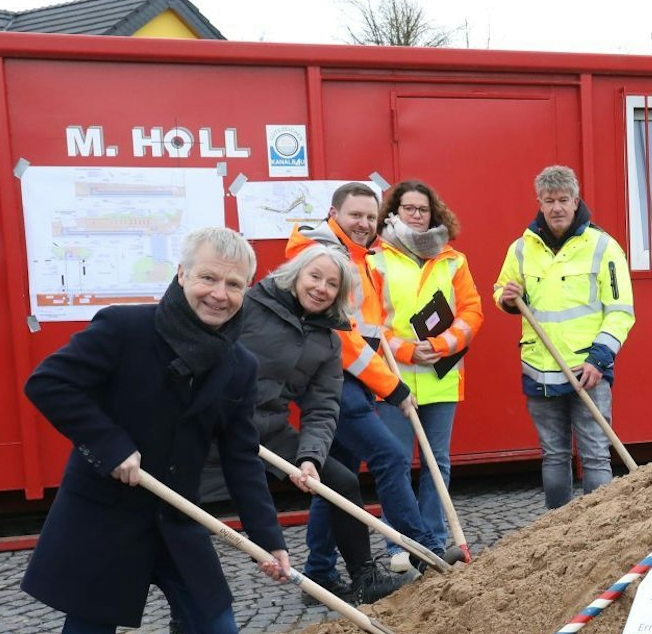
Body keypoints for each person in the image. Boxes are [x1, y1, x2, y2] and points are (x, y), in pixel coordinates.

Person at [23, 227, 289, 634]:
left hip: (176, 519)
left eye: (233, 284)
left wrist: (268, 539)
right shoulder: (124, 330)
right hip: (103, 517)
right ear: (181, 274)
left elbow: (243, 458)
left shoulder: (238, 364)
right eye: (209, 278)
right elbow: (48, 383)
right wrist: (110, 444)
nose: (219, 294)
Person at [198, 244, 412, 608]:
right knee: (189, 512)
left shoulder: (328, 339)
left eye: (332, 284)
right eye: (315, 276)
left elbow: (322, 406)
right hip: (214, 427)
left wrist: (310, 457)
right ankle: (186, 621)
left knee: (340, 480)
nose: (320, 288)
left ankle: (364, 578)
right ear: (296, 274)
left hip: (269, 430)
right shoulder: (249, 306)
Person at [285, 182, 440, 587]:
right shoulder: (321, 257)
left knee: (338, 477)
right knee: (389, 456)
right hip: (333, 381)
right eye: (355, 215)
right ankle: (426, 551)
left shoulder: (364, 258)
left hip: (351, 380)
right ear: (333, 214)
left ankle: (318, 571)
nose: (364, 224)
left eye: (371, 217)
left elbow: (374, 329)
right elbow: (343, 339)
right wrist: (393, 387)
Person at [492, 165, 636, 509]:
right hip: (539, 368)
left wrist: (599, 358)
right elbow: (501, 290)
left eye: (562, 200)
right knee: (554, 457)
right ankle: (555, 531)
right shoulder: (522, 248)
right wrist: (509, 298)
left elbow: (620, 310)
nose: (556, 207)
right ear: (539, 203)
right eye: (548, 200)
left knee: (596, 456)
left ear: (575, 201)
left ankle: (597, 529)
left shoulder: (603, 247)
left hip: (589, 370)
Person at [372, 180, 483, 560]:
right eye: (409, 209)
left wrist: (438, 346)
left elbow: (472, 312)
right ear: (394, 212)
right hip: (392, 377)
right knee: (396, 463)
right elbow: (367, 320)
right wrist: (404, 350)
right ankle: (399, 545)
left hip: (441, 376)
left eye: (423, 209)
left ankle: (434, 540)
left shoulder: (453, 259)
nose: (417, 216)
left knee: (438, 464)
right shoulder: (377, 258)